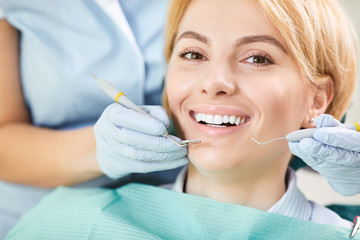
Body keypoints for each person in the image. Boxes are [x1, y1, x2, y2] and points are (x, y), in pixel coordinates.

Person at [5, 0, 359, 238]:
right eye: (192, 53)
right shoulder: (68, 225)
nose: (214, 82)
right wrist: (96, 149)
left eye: (258, 58)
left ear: (318, 100)